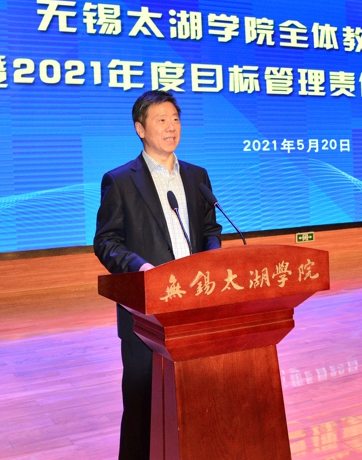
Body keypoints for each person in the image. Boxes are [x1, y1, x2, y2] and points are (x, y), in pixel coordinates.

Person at [93, 90, 222, 460]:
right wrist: (141, 268)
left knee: (195, 399)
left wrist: (211, 260)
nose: (171, 127)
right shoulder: (119, 181)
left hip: (195, 305)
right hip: (145, 312)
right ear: (140, 129)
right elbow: (106, 242)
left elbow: (210, 230)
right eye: (161, 120)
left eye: (175, 119)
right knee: (143, 408)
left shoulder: (197, 176)